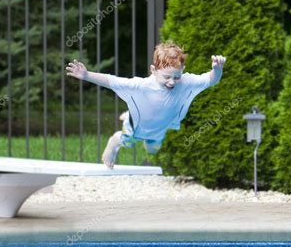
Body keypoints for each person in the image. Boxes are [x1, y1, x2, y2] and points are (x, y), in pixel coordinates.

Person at [66, 42, 226, 168]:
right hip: (137, 126)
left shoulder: (186, 81)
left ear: (183, 70)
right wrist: (86, 75)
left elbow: (211, 80)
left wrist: (217, 69)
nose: (172, 82)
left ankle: (130, 118)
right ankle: (114, 141)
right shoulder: (141, 86)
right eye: (167, 77)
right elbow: (111, 80)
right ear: (153, 70)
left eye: (177, 77)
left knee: (152, 149)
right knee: (126, 142)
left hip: (160, 127)